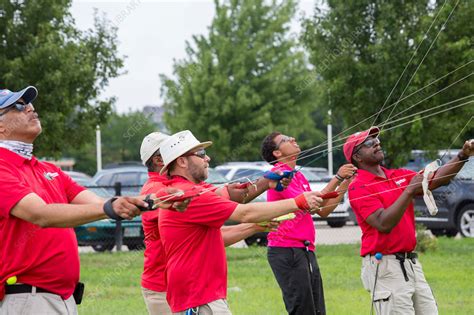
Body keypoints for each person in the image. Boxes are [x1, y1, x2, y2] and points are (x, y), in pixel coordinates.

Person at [0, 86, 183, 315]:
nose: (30, 108)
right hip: (28, 298)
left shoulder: (46, 169)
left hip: (62, 298)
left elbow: (98, 202)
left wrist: (151, 201)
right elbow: (41, 215)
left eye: (29, 103)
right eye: (18, 105)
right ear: (1, 126)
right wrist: (110, 208)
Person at [156, 130, 323, 314]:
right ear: (182, 161)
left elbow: (222, 227)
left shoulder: (195, 189)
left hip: (201, 294)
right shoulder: (190, 194)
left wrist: (265, 185)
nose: (208, 158)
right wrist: (298, 202)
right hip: (198, 296)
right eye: (201, 154)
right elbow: (245, 213)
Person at [344, 126, 474, 315]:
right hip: (385, 266)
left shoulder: (397, 175)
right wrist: (408, 191)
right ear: (357, 157)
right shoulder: (358, 187)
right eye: (369, 143)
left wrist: (462, 155)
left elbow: (437, 179)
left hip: (410, 263)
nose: (377, 144)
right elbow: (383, 223)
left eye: (377, 140)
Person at [260, 132, 357, 315]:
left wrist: (345, 182)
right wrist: (337, 177)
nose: (293, 139)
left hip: (304, 250)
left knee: (318, 310)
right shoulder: (278, 175)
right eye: (286, 140)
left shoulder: (298, 176)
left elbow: (323, 210)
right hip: (286, 251)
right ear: (277, 153)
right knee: (302, 310)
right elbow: (310, 204)